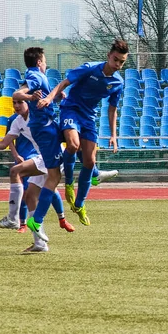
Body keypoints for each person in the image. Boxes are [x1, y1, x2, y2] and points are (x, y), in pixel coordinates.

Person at [38, 39, 128, 226]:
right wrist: (49, 97)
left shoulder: (118, 82)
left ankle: (79, 204)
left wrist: (114, 135)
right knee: (73, 144)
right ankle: (69, 183)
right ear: (108, 56)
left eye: (122, 62)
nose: (118, 65)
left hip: (89, 118)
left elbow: (112, 109)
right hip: (71, 109)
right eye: (116, 60)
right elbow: (64, 83)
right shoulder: (90, 68)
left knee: (90, 160)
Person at [0, 97, 74, 253]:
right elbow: (3, 144)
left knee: (16, 171)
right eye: (14, 103)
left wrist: (58, 96)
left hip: (54, 155)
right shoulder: (17, 122)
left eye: (19, 102)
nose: (16, 105)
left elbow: (48, 101)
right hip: (44, 157)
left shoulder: (38, 114)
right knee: (30, 197)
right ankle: (40, 244)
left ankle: (13, 219)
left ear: (28, 103)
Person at [12, 47, 62, 244]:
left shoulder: (36, 77)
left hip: (45, 145)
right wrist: (30, 97)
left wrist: (55, 97)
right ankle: (39, 242)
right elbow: (19, 92)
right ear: (40, 62)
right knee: (33, 192)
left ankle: (16, 219)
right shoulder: (37, 77)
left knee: (40, 185)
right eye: (45, 59)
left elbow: (27, 92)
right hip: (46, 138)